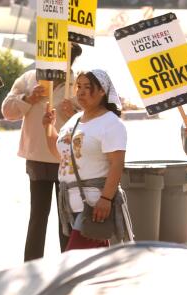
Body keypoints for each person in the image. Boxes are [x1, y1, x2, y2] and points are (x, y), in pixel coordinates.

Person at [2, 43, 83, 261]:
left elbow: (95, 117)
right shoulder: (29, 79)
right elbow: (7, 111)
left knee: (66, 216)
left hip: (67, 159)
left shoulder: (79, 83)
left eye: (63, 57)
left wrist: (75, 111)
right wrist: (28, 99)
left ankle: (68, 265)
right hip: (37, 156)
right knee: (38, 215)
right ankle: (31, 265)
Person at [44, 69, 132, 250]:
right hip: (70, 205)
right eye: (79, 87)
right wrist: (48, 128)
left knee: (73, 261)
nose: (81, 92)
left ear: (102, 92)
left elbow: (117, 163)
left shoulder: (111, 123)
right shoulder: (74, 120)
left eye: (88, 87)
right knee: (94, 265)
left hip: (93, 204)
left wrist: (106, 199)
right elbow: (61, 156)